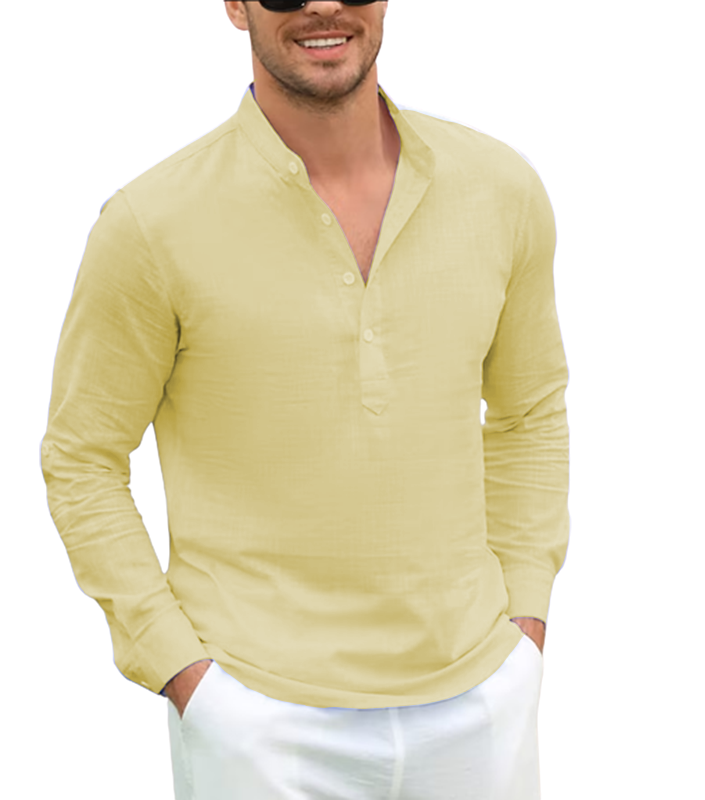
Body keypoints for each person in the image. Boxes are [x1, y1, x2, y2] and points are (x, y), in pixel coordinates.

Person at [40, 1, 570, 797]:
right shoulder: (151, 224)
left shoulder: (501, 191)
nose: (323, 4)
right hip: (258, 716)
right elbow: (81, 458)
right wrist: (183, 673)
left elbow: (531, 414)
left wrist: (525, 624)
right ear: (235, 4)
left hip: (480, 701)